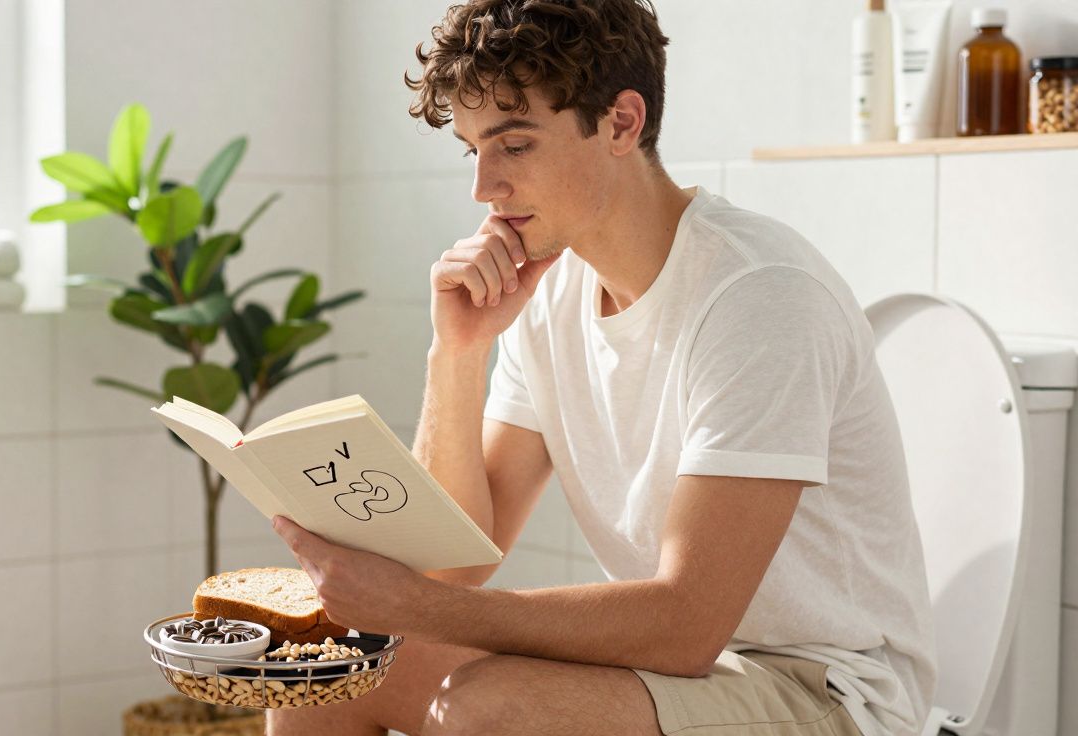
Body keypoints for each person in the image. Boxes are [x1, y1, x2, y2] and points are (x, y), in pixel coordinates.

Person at [268, 1, 936, 734]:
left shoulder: (760, 296)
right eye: (473, 150)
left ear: (620, 122)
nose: (483, 187)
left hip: (825, 689)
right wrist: (457, 351)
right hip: (676, 672)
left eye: (514, 145)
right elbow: (456, 565)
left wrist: (414, 608)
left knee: (488, 711)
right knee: (330, 674)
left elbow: (685, 624)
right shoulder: (551, 289)